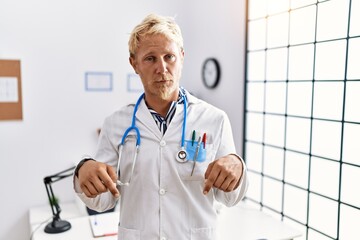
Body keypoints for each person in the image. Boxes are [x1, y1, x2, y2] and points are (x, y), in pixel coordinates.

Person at [74, 13, 248, 240]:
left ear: (182, 57)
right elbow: (102, 200)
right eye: (150, 58)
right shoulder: (116, 124)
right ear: (134, 63)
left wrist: (238, 168)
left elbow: (230, 198)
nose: (162, 67)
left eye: (169, 56)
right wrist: (83, 172)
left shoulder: (214, 119)